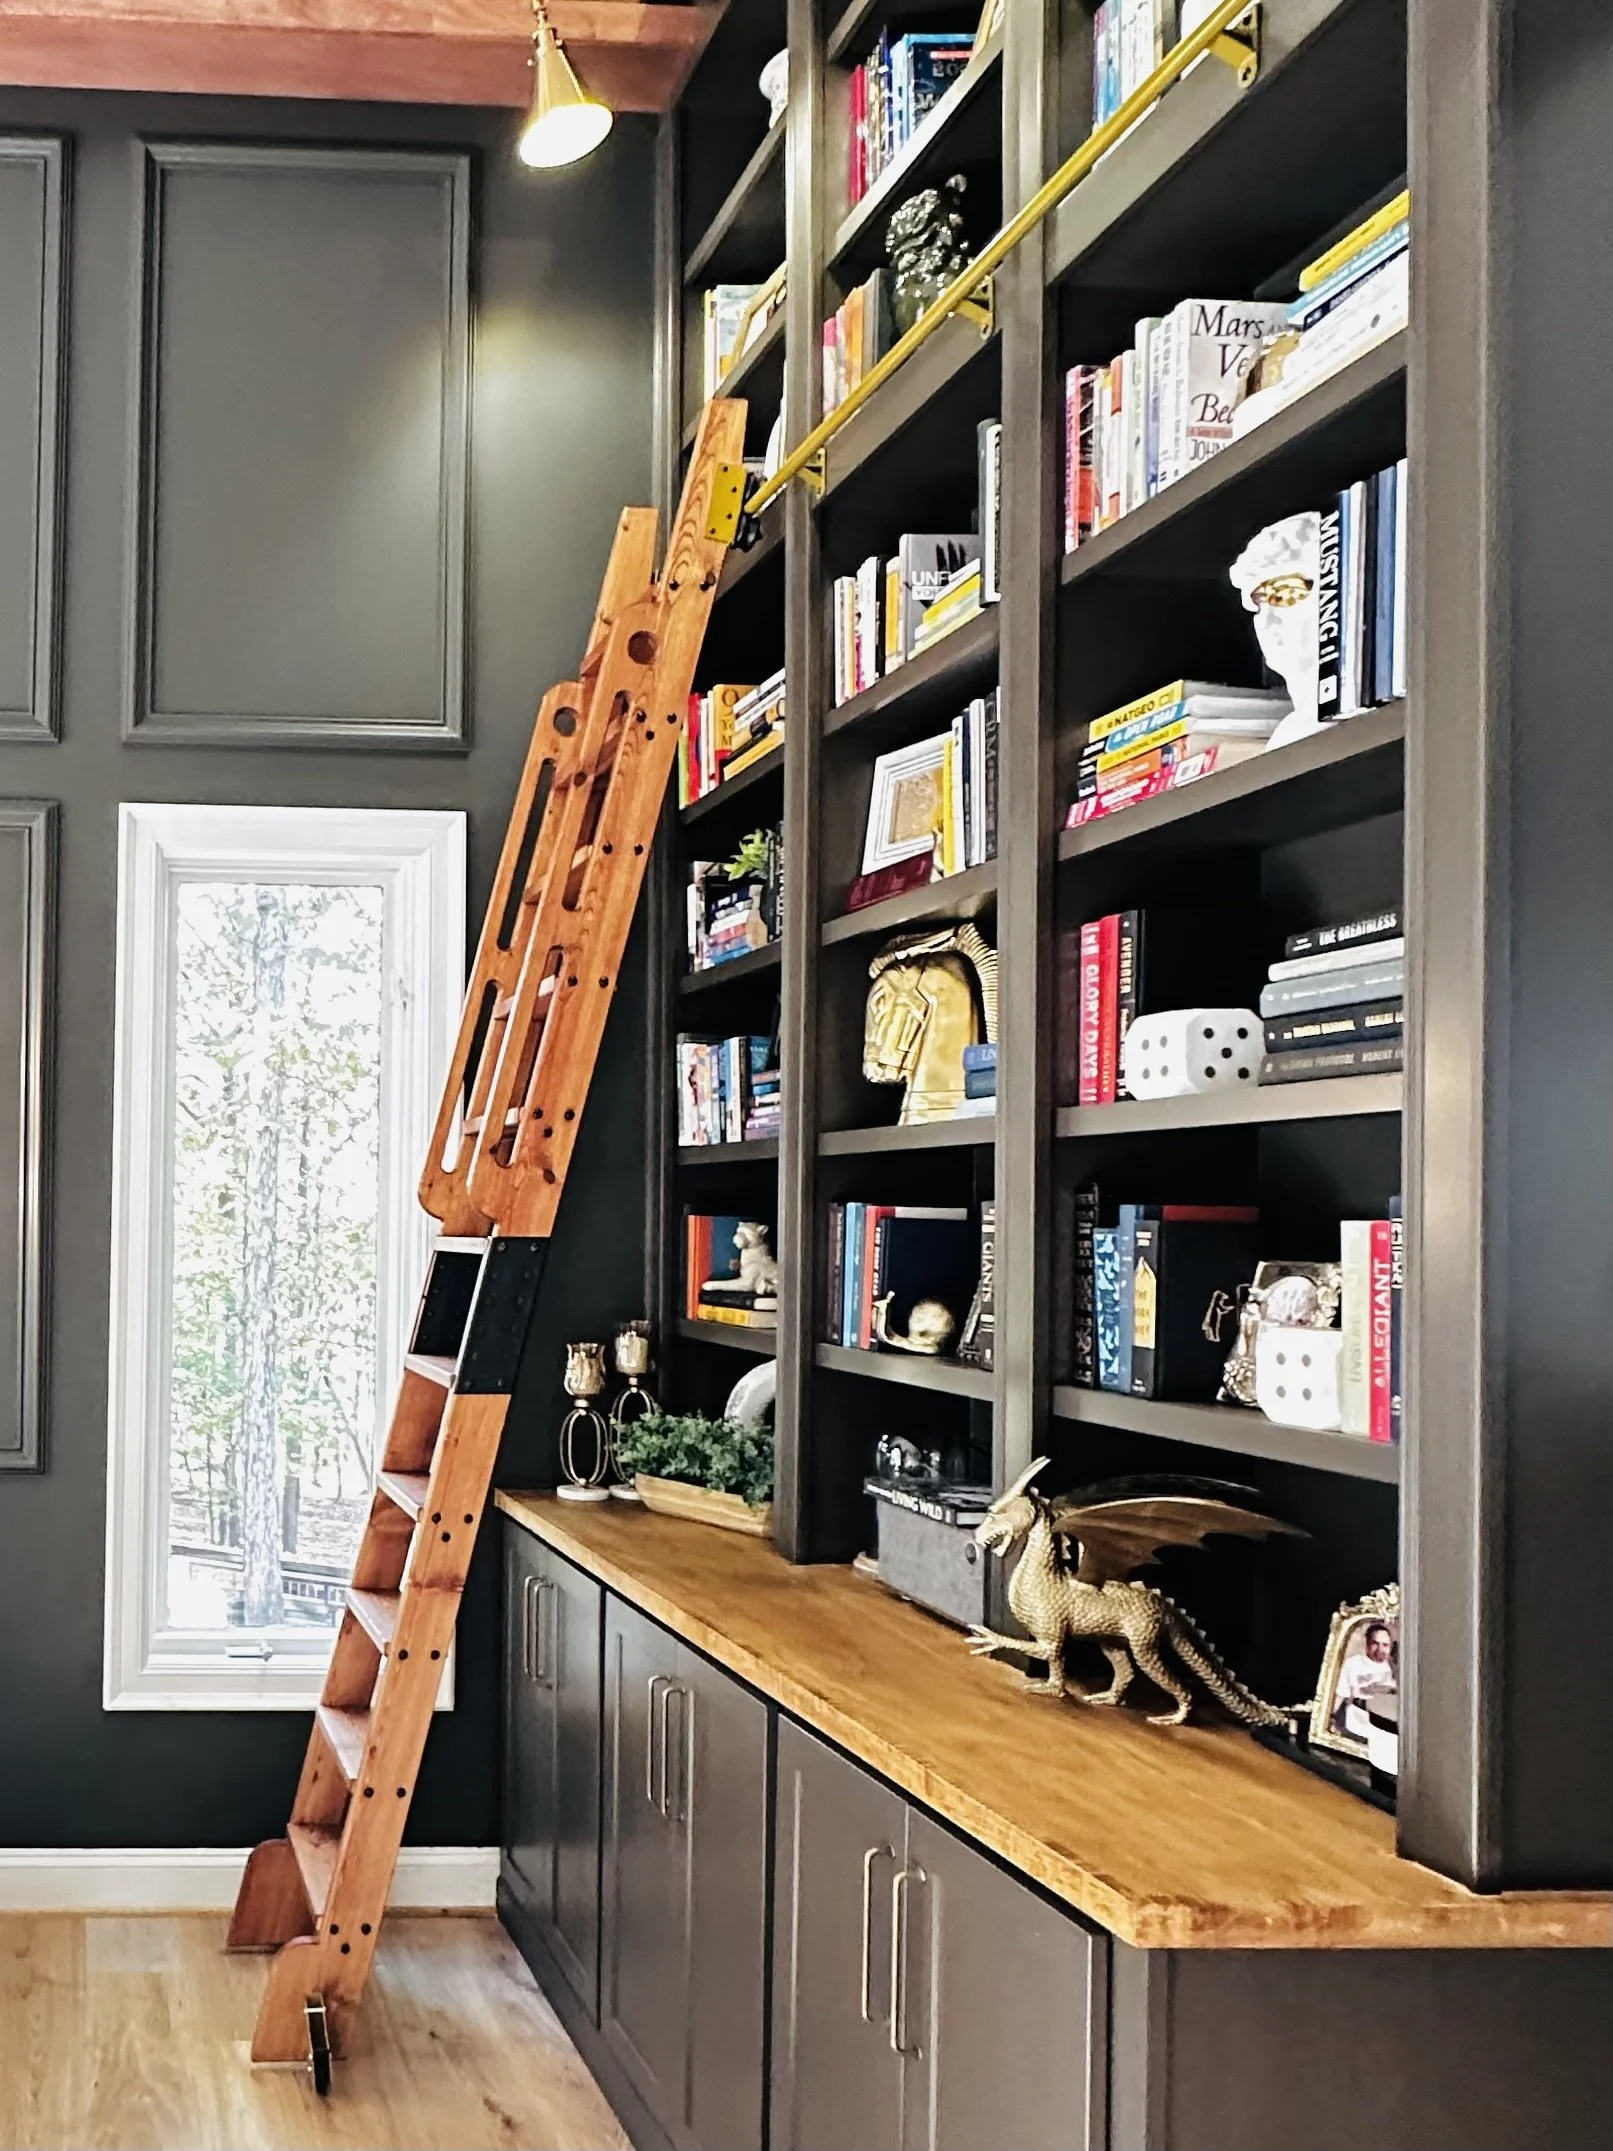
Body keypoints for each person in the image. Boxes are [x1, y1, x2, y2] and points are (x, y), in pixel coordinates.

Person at [1331, 1620, 1397, 1741]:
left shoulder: (1392, 1667)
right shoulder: (1354, 1663)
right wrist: (1331, 1719)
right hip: (1356, 1718)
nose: (1380, 1649)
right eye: (1375, 1643)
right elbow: (1341, 1694)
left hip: (1383, 1721)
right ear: (1367, 1643)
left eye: (1385, 1645)